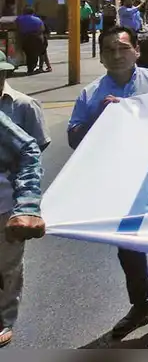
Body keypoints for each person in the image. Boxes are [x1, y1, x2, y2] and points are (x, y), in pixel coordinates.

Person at [66, 26, 148, 340]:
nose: (117, 55)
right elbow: (73, 138)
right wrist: (100, 118)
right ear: (102, 57)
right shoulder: (90, 94)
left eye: (123, 48)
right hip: (118, 183)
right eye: (109, 50)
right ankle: (141, 306)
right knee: (128, 250)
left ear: (136, 50)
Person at [0, 51, 48, 347]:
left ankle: (4, 318)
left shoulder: (22, 106)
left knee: (8, 266)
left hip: (6, 202)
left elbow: (33, 151)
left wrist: (28, 201)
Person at [14, 8, 45, 75]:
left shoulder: (19, 18)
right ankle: (32, 68)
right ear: (33, 13)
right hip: (36, 38)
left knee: (28, 54)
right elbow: (42, 29)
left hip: (25, 38)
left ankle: (30, 68)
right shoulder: (38, 19)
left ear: (24, 12)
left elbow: (16, 27)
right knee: (35, 54)